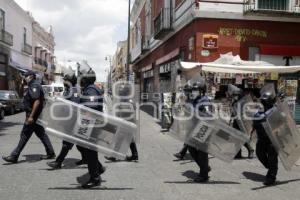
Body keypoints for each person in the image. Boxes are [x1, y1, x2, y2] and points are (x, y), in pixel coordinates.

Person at [2, 71, 55, 163]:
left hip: (33, 116)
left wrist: (31, 116)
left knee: (24, 135)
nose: (24, 78)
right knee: (41, 134)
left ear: (30, 77)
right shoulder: (33, 85)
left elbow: (37, 101)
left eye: (25, 77)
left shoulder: (34, 85)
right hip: (36, 116)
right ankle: (50, 153)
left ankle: (14, 156)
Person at [47, 72, 86, 169]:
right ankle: (89, 160)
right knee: (80, 145)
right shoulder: (69, 90)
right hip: (71, 122)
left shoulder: (74, 91)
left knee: (66, 144)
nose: (64, 81)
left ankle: (58, 162)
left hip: (73, 122)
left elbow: (74, 107)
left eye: (65, 80)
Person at [78, 66, 106, 188]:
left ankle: (95, 179)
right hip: (93, 125)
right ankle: (98, 169)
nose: (80, 80)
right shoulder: (91, 89)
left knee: (90, 153)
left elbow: (91, 108)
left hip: (92, 126)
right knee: (88, 150)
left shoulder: (91, 90)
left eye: (82, 78)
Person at [187, 79, 211, 183]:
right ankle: (205, 167)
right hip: (194, 128)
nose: (194, 92)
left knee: (202, 153)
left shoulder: (205, 101)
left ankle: (203, 175)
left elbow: (208, 116)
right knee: (191, 148)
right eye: (193, 90)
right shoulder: (194, 100)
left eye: (196, 90)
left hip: (204, 129)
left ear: (202, 91)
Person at [253, 85, 278, 186]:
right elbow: (257, 118)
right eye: (263, 101)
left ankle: (271, 176)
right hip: (262, 137)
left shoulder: (276, 110)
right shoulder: (261, 110)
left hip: (273, 138)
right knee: (259, 153)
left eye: (266, 101)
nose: (264, 102)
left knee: (272, 157)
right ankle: (271, 167)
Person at [227, 84, 254, 159]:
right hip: (236, 121)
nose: (234, 96)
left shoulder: (243, 101)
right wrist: (231, 120)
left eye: (235, 95)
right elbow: (233, 112)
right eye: (233, 95)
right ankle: (238, 153)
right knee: (236, 137)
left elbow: (246, 112)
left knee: (243, 137)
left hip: (242, 122)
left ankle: (250, 149)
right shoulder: (235, 101)